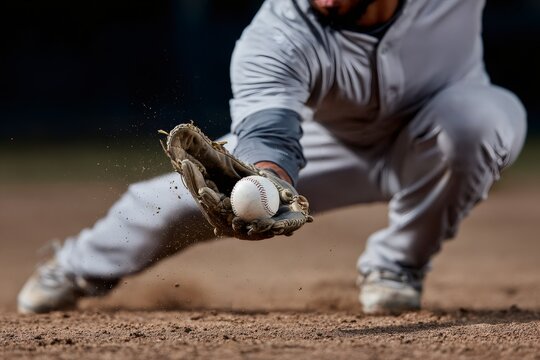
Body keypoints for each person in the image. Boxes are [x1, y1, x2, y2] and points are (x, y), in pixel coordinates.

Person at [18, 0, 527, 315]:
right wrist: (270, 180)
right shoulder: (277, 33)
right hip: (329, 145)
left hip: (445, 125)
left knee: (476, 126)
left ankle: (397, 264)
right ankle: (77, 267)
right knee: (160, 206)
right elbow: (271, 130)